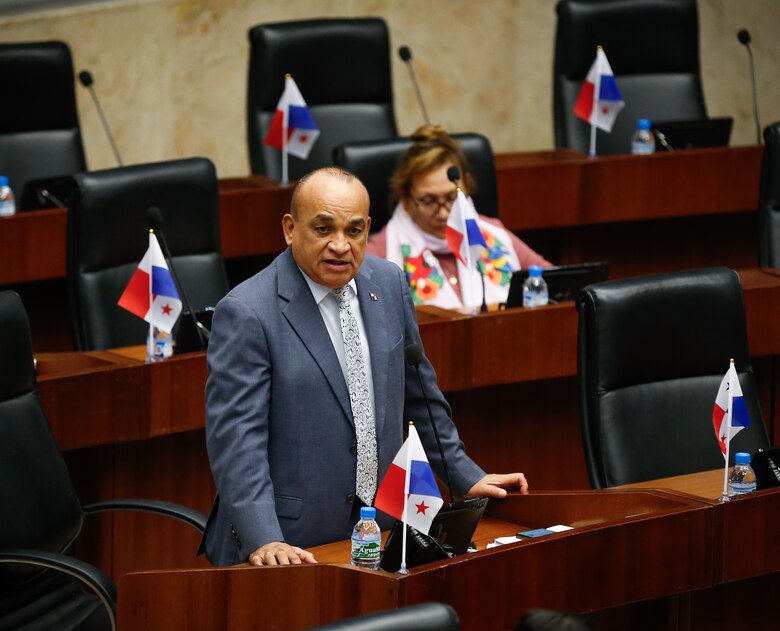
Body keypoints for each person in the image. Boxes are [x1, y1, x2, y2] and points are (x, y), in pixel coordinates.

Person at [200, 167, 528, 567]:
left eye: (353, 231)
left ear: (368, 228)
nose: (340, 246)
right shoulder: (248, 311)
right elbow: (237, 440)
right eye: (323, 230)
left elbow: (419, 394)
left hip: (383, 526)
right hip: (291, 541)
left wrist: (464, 475)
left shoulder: (388, 283)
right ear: (290, 228)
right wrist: (263, 538)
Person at [367, 125, 551, 309]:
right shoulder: (382, 250)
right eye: (428, 201)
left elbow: (554, 282)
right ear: (407, 198)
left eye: (452, 198)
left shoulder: (493, 233)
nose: (443, 213)